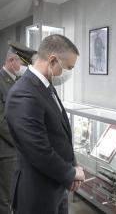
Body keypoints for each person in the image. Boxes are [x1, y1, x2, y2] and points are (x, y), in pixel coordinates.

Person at [5, 34, 85, 214]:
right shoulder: (24, 93)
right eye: (68, 67)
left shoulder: (45, 86)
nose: (68, 73)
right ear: (53, 60)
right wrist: (70, 173)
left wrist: (73, 165)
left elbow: (60, 134)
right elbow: (38, 148)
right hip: (37, 193)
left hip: (55, 186)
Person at [0, 42, 36, 214]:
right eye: (23, 63)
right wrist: (22, 141)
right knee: (5, 197)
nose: (25, 68)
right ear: (11, 60)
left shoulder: (19, 81)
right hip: (7, 151)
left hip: (19, 149)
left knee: (18, 193)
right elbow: (1, 122)